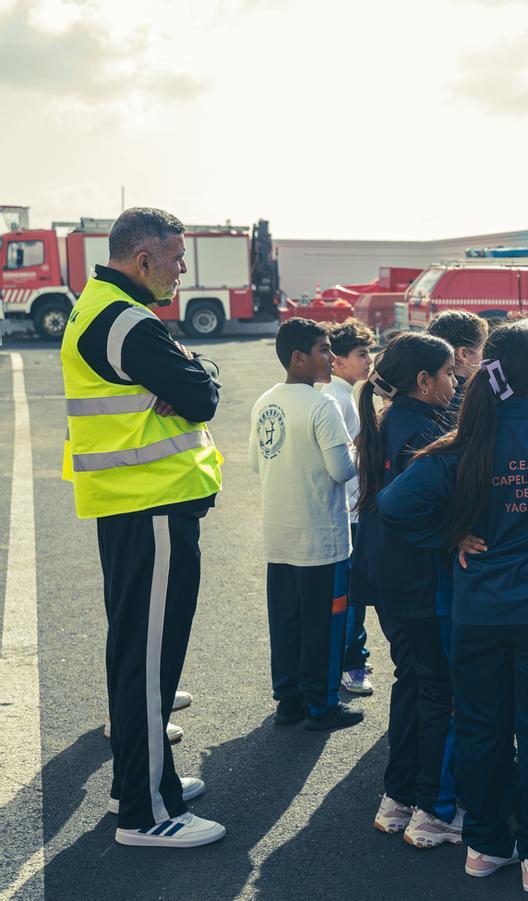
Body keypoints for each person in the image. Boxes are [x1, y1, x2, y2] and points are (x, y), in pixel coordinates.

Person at [378, 325, 528, 893]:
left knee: (483, 731)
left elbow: (392, 507)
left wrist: (449, 534)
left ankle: (485, 846)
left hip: (479, 616)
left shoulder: (462, 447)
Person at [60, 207, 224, 847]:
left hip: (131, 505)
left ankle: (141, 781)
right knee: (150, 661)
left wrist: (190, 370)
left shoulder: (101, 304)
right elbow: (205, 396)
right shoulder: (126, 321)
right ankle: (148, 812)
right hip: (150, 504)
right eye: (177, 259)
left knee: (136, 652)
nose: (183, 270)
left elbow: (193, 379)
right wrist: (194, 375)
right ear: (143, 260)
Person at [351, 333, 463, 846]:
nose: (456, 380)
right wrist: (452, 535)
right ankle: (432, 811)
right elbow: (407, 510)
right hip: (419, 581)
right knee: (438, 690)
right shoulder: (426, 430)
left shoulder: (386, 420)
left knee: (413, 683)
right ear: (424, 381)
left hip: (388, 579)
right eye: (448, 373)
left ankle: (398, 799)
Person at [249, 318, 363, 732]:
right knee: (324, 626)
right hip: (322, 540)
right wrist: (357, 449)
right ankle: (322, 704)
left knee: (287, 623)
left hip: (279, 535)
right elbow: (341, 471)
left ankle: (290, 700)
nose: (331, 357)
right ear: (299, 358)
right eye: (323, 349)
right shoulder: (323, 405)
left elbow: (254, 462)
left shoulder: (265, 401)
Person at [322, 318, 376, 696]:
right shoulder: (338, 399)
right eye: (361, 354)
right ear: (337, 361)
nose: (369, 359)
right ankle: (351, 663)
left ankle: (350, 656)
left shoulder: (345, 394)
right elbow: (347, 462)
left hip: (352, 509)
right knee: (353, 594)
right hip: (351, 511)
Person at [427, 309, 488, 412]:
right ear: (463, 354)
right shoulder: (472, 398)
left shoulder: (423, 390)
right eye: (484, 348)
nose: (486, 356)